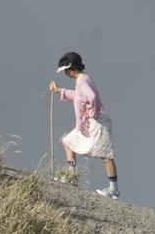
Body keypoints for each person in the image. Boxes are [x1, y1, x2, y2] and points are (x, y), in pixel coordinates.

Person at [48, 51, 119, 199]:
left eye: (66, 70)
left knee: (106, 155)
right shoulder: (84, 78)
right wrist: (58, 90)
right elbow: (79, 96)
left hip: (97, 121)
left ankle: (113, 190)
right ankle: (72, 175)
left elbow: (91, 98)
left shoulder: (81, 80)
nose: (65, 73)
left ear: (71, 68)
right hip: (93, 120)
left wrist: (91, 112)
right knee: (68, 141)